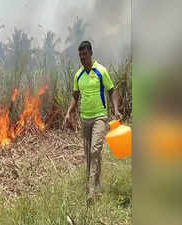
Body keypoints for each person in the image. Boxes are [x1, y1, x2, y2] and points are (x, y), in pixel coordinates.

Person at [63, 40, 122, 204]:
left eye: (84, 54)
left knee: (95, 151)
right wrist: (69, 112)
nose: (82, 57)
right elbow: (75, 97)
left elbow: (112, 91)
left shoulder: (101, 71)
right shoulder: (78, 75)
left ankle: (90, 191)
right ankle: (98, 186)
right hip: (85, 119)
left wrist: (116, 110)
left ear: (91, 53)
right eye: (80, 55)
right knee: (90, 155)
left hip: (100, 118)